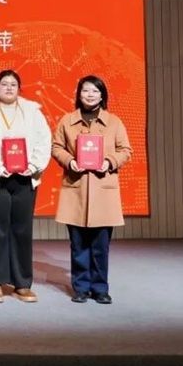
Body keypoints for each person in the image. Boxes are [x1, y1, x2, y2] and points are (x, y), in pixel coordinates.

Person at [0, 70, 52, 303]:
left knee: (22, 230)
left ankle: (22, 283)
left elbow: (44, 141)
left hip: (25, 178)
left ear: (19, 88)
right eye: (4, 84)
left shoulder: (33, 113)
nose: (9, 88)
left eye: (13, 84)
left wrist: (33, 165)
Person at [51, 75, 132, 304]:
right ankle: (81, 287)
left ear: (102, 95)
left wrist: (109, 162)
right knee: (78, 245)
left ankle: (100, 288)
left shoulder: (114, 122)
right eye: (86, 90)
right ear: (79, 94)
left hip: (103, 190)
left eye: (95, 91)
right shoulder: (67, 121)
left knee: (100, 246)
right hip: (76, 190)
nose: (90, 95)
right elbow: (56, 147)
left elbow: (125, 150)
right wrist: (69, 161)